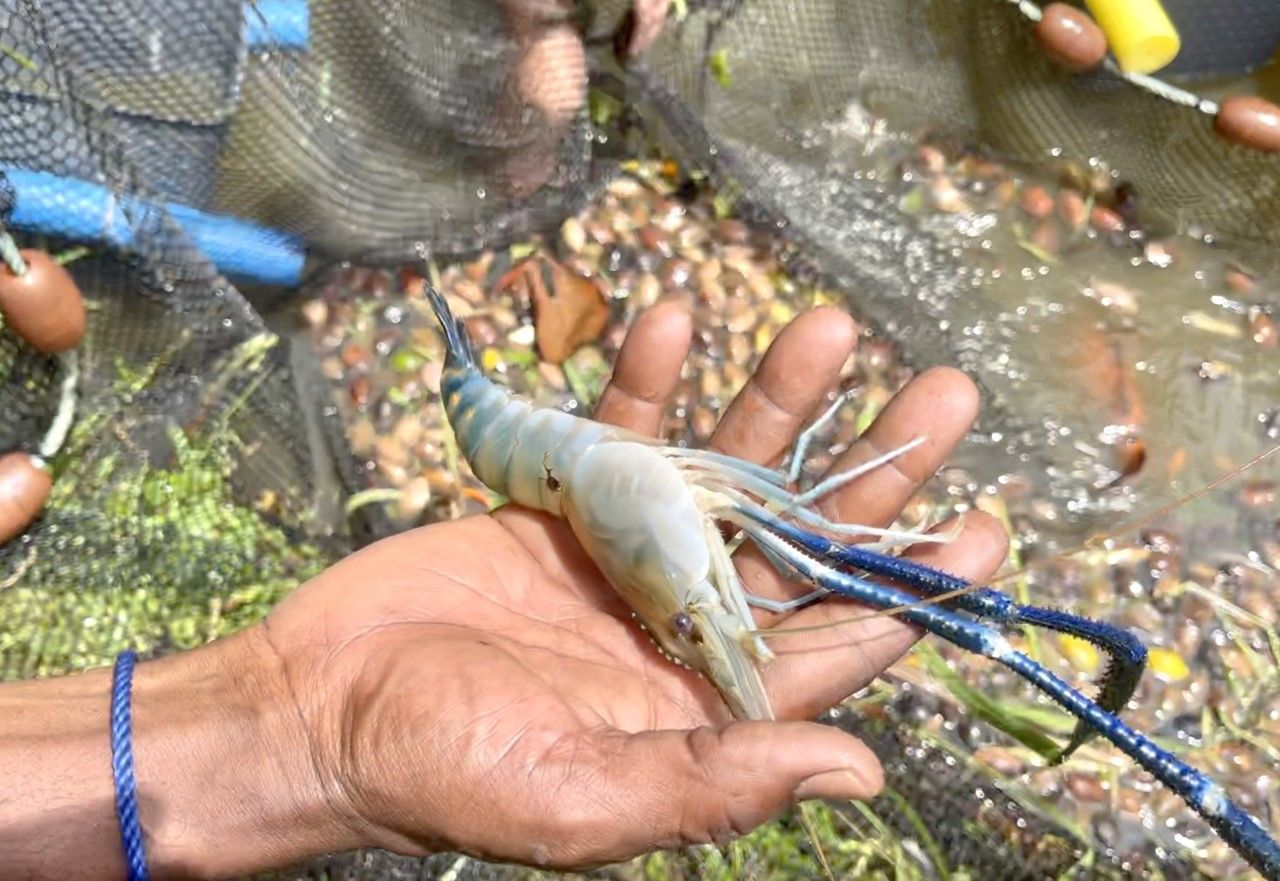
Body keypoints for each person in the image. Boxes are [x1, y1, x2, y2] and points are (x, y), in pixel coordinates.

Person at [0, 300, 1007, 881]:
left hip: (569, 459)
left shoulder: (622, 487)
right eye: (687, 626)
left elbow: (655, 523)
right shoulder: (608, 488)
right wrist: (304, 736)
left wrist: (297, 728)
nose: (700, 630)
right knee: (763, 549)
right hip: (537, 445)